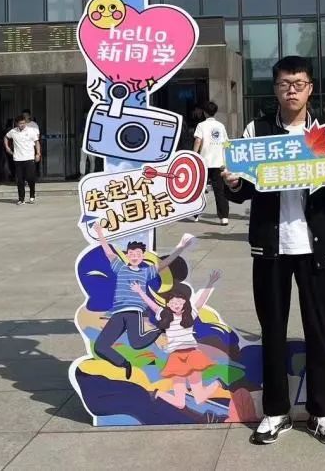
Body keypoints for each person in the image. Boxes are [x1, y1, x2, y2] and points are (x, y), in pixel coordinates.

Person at [222, 55, 325, 446]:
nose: (291, 90)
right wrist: (233, 182)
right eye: (284, 84)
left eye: (299, 83)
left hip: (314, 246)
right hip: (271, 246)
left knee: (318, 330)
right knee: (273, 330)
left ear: (310, 88)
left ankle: (321, 412)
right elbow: (245, 189)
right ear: (275, 88)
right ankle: (276, 411)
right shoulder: (258, 130)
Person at [91, 221, 196, 378]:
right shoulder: (120, 267)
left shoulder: (146, 272)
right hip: (118, 313)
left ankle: (161, 327)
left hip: (134, 312)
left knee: (137, 343)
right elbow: (108, 252)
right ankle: (124, 364)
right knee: (100, 346)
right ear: (127, 255)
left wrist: (180, 247)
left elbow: (166, 262)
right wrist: (99, 232)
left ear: (142, 256)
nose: (134, 256)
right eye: (132, 254)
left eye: (138, 254)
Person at [131, 271, 223, 408]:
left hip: (192, 355)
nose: (176, 304)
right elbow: (152, 305)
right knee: (180, 403)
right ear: (168, 304)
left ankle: (218, 383)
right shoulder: (164, 316)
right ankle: (157, 393)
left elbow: (201, 301)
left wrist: (210, 283)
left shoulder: (190, 315)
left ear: (185, 303)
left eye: (179, 302)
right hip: (176, 358)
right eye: (173, 302)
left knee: (199, 399)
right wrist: (139, 291)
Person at [194, 101, 230, 225]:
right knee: (220, 191)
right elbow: (226, 143)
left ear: (204, 112)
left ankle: (196, 214)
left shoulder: (201, 125)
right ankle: (224, 217)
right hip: (219, 162)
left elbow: (198, 141)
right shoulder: (220, 126)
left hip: (204, 162)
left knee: (198, 189)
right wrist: (226, 157)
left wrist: (194, 155)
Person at [5, 115, 41, 205]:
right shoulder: (13, 132)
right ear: (17, 124)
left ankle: (32, 195)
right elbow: (6, 137)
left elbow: (37, 142)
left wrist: (38, 153)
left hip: (29, 158)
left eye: (24, 123)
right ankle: (21, 199)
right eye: (20, 123)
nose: (22, 125)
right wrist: (7, 147)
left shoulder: (31, 131)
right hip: (18, 158)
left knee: (30, 178)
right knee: (19, 180)